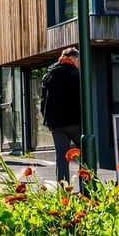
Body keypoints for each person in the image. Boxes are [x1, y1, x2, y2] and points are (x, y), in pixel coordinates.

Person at [41, 47, 82, 183]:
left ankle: (64, 189)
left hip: (56, 123)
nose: (79, 63)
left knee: (62, 157)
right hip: (75, 121)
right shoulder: (76, 74)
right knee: (86, 153)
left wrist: (47, 119)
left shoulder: (49, 75)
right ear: (73, 58)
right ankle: (88, 187)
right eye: (78, 60)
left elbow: (43, 100)